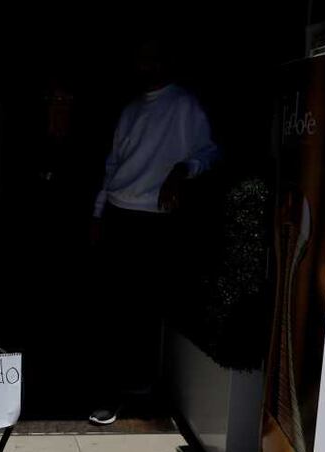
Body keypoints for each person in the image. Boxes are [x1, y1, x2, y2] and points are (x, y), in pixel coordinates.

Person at [88, 38, 220, 425]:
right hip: (118, 213)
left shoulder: (184, 105)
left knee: (145, 309)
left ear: (165, 62)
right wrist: (98, 213)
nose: (142, 67)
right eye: (139, 59)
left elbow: (209, 152)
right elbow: (113, 164)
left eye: (149, 59)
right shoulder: (130, 109)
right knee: (111, 308)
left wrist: (183, 171)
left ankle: (141, 393)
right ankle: (109, 394)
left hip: (154, 219)